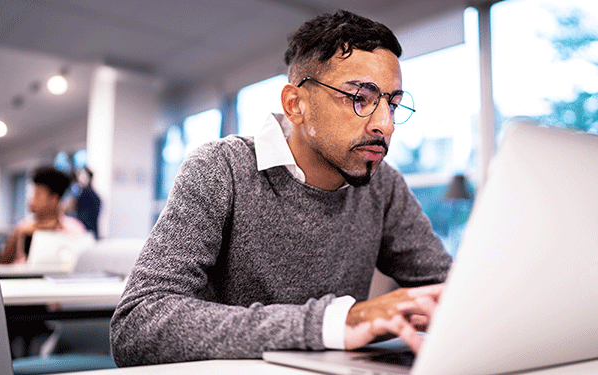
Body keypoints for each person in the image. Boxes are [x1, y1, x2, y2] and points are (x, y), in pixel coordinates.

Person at [110, 10, 452, 366]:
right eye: (360, 99)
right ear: (296, 104)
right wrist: (333, 323)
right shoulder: (220, 168)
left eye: (392, 104)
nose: (386, 124)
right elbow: (137, 325)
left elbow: (454, 291)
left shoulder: (384, 185)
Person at [0, 166, 87, 264]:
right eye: (32, 194)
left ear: (54, 199)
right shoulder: (22, 227)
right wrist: (17, 235)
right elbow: (3, 263)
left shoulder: (73, 229)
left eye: (38, 194)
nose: (31, 200)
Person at [63, 167, 102, 239]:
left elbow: (70, 206)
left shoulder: (84, 193)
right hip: (91, 232)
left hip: (84, 232)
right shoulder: (95, 195)